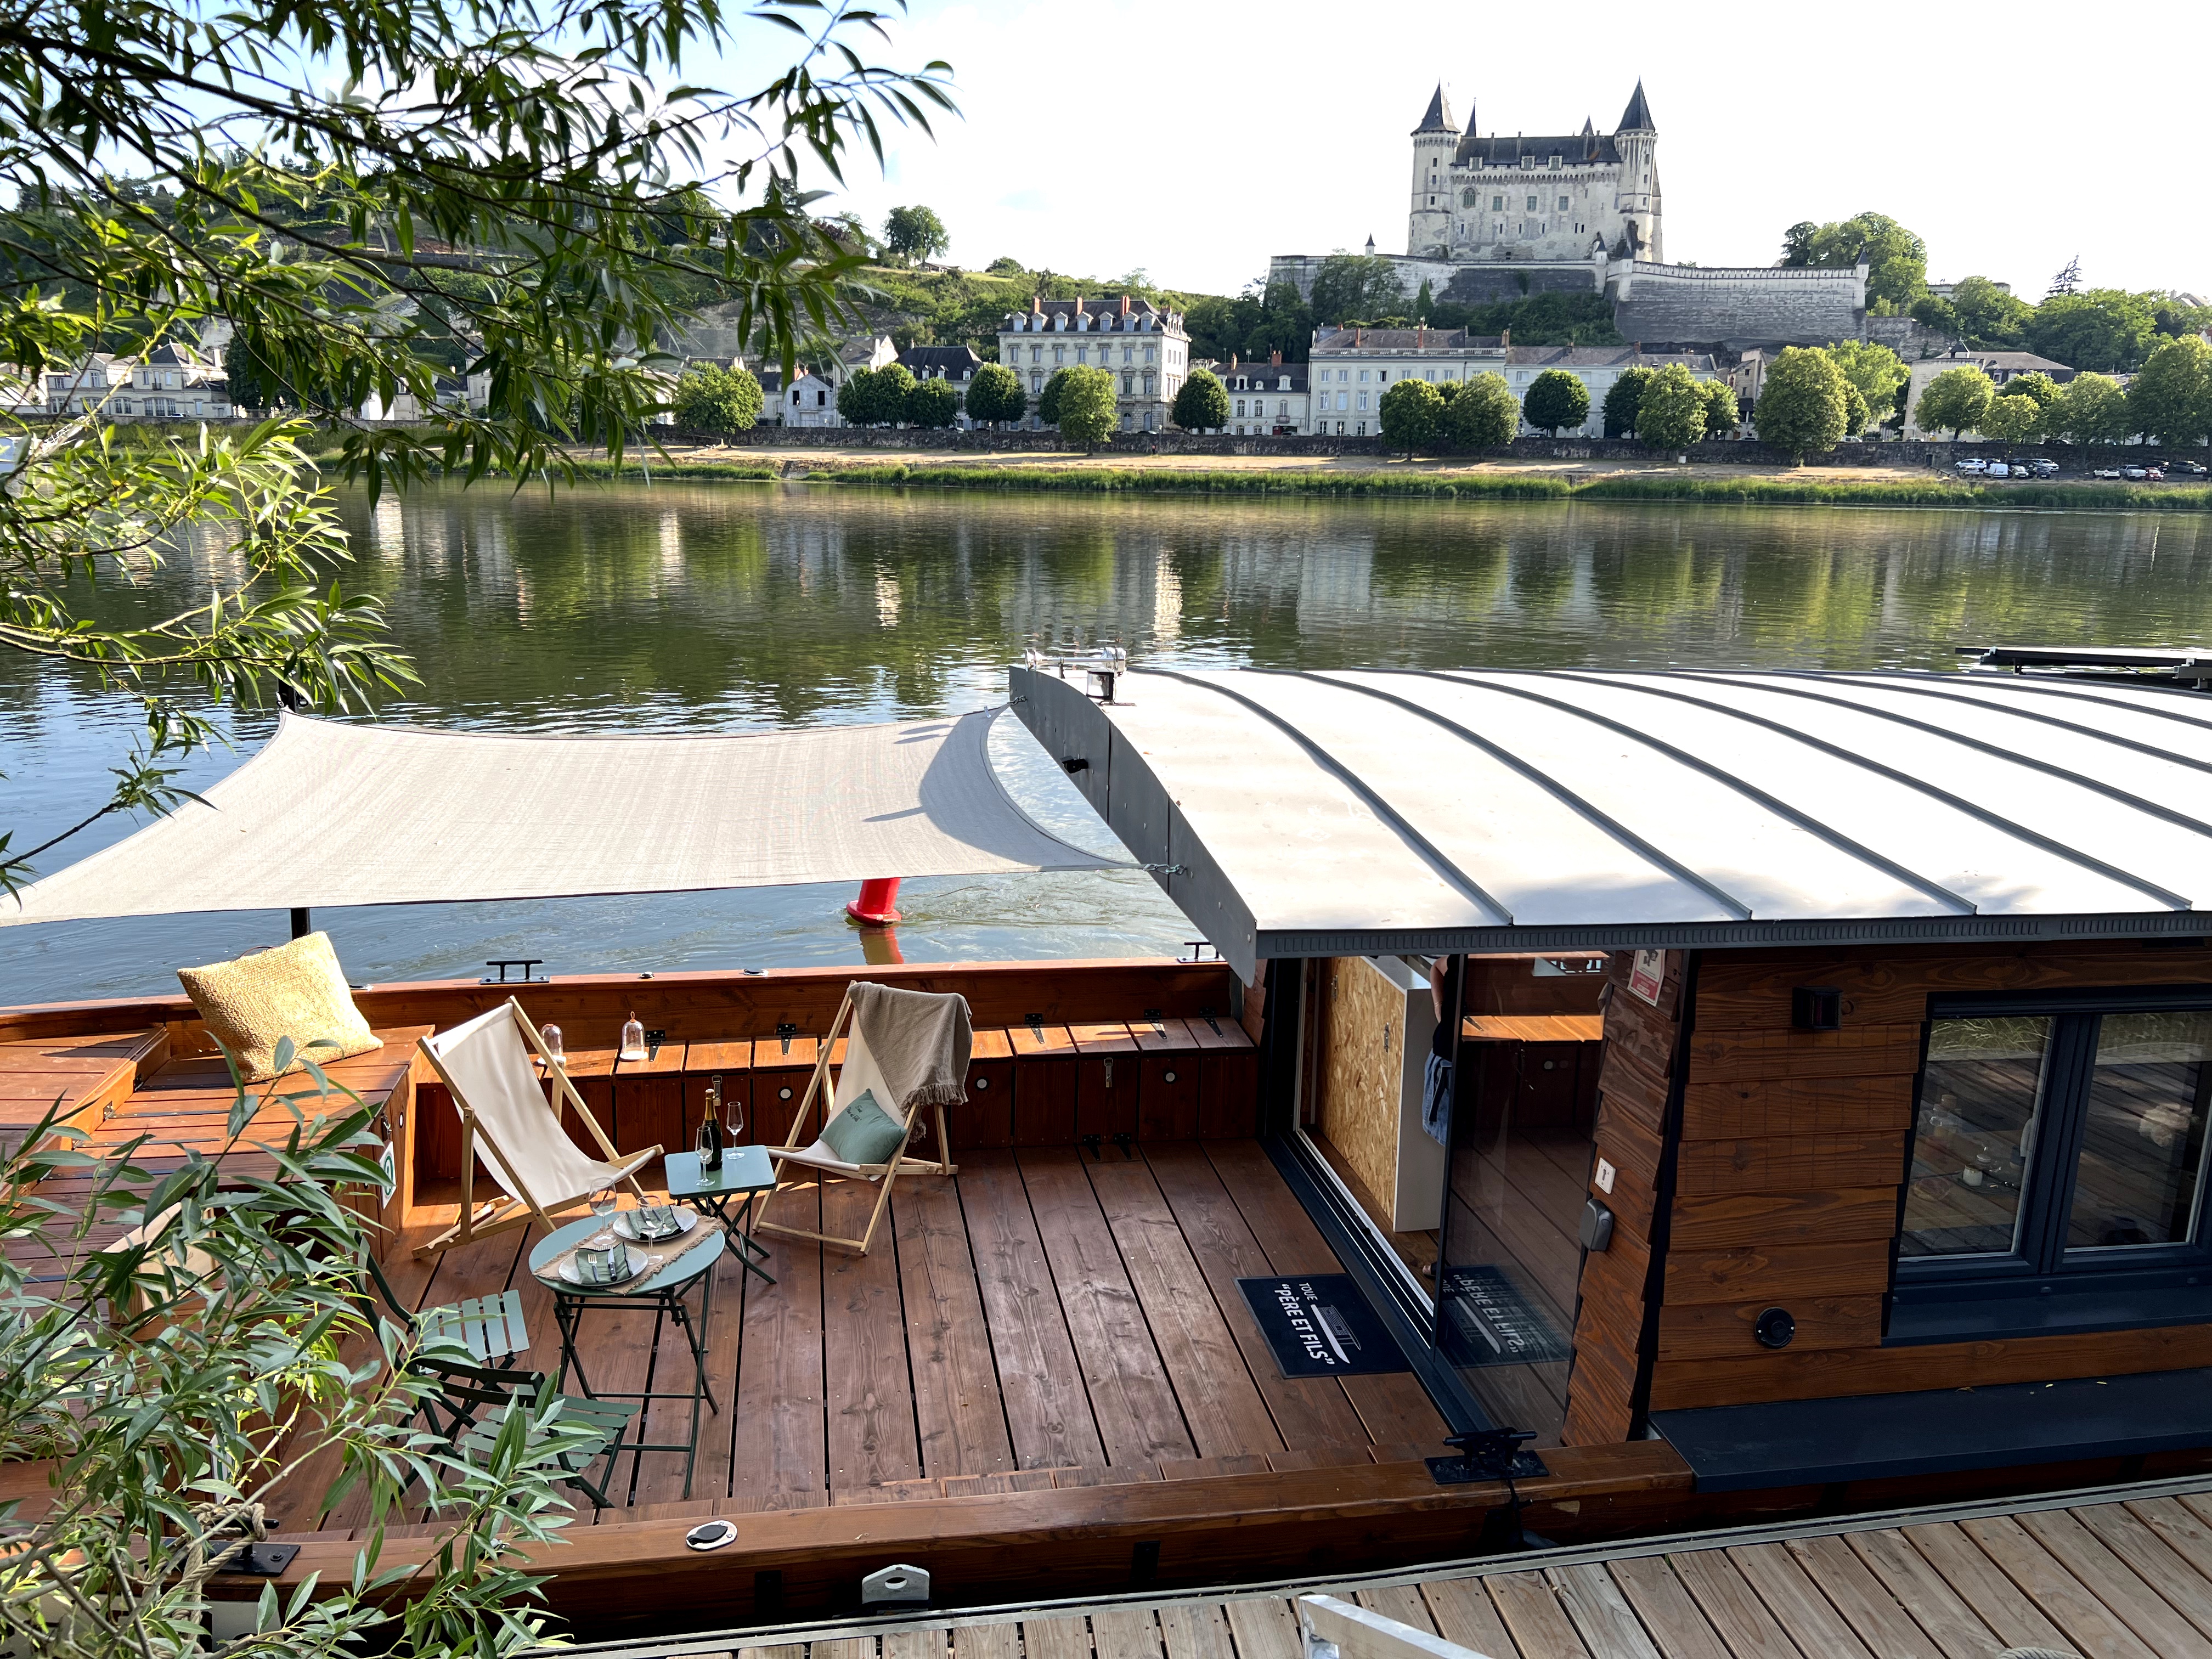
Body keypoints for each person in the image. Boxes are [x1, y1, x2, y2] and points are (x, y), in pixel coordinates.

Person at [1422, 955, 1455, 1147]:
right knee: (1448, 1137)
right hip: (1447, 1060)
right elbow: (1437, 967)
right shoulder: (1464, 959)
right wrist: (1439, 1008)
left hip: (1487, 1056)